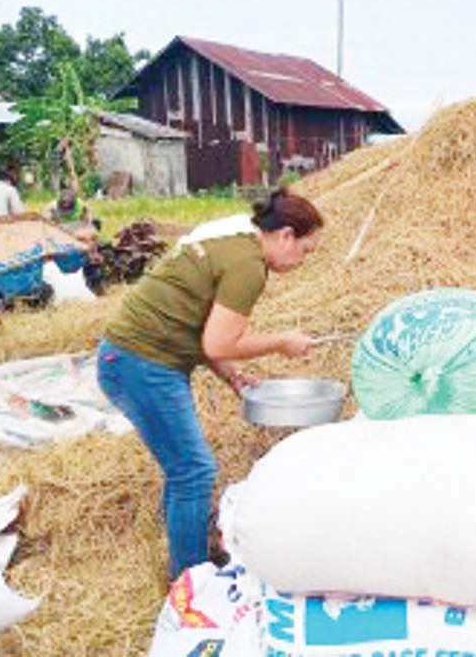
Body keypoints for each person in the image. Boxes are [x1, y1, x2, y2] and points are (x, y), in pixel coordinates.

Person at [95, 187, 323, 578]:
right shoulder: (248, 266)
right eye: (305, 250)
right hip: (142, 362)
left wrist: (230, 373)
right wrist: (282, 343)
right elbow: (217, 341)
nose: (303, 261)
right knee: (194, 470)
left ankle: (189, 555)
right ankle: (191, 580)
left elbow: (197, 319)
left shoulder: (234, 237)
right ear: (285, 235)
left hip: (133, 356)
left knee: (184, 467)